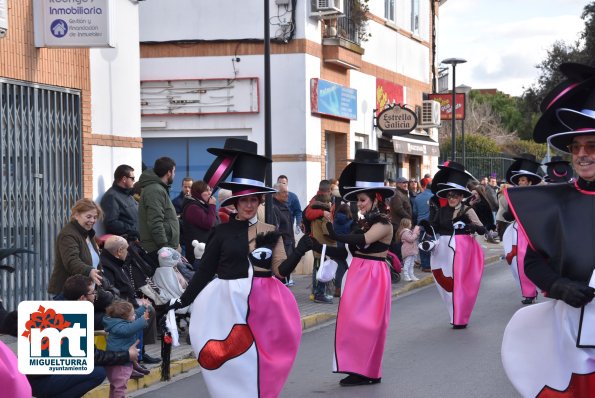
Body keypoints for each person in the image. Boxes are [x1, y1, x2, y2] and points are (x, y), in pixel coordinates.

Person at [169, 138, 312, 398]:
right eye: (244, 200)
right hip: (226, 306)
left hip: (263, 307)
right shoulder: (221, 232)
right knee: (233, 363)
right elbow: (205, 271)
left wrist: (302, 248)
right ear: (235, 201)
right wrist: (182, 300)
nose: (248, 205)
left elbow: (280, 271)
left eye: (254, 200)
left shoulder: (270, 231)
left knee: (260, 361)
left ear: (260, 201)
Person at [501, 61, 595, 397]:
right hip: (571, 326)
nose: (582, 155)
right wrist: (559, 286)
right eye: (576, 148)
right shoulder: (552, 203)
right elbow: (532, 262)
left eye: (591, 146)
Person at [313, 149, 394, 386]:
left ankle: (370, 372)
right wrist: (319, 245)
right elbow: (349, 250)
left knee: (369, 325)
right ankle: (356, 369)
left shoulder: (383, 223)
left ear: (375, 199)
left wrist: (337, 234)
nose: (359, 204)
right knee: (352, 324)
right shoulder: (363, 221)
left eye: (363, 200)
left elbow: (363, 241)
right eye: (358, 200)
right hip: (358, 273)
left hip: (374, 275)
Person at [422, 161, 485, 329]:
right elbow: (433, 227)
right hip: (442, 251)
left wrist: (469, 226)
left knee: (460, 283)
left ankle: (459, 317)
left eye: (455, 195)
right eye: (449, 195)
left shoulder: (467, 210)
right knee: (445, 283)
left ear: (461, 196)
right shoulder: (441, 211)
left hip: (463, 251)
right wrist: (424, 231)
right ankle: (454, 313)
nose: (451, 198)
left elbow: (481, 229)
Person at [501, 154, 543, 305]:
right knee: (520, 261)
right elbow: (510, 214)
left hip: (534, 230)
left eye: (523, 180)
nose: (520, 182)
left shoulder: (538, 196)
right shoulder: (515, 196)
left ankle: (541, 287)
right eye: (519, 180)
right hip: (519, 232)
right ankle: (528, 293)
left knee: (537, 261)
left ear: (530, 181)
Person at [48, 198, 103, 297]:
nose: (92, 220)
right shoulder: (68, 235)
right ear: (76, 215)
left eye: (95, 217)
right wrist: (89, 271)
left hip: (85, 291)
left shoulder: (88, 233)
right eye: (88, 216)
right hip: (68, 293)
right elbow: (71, 261)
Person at [137, 157, 179, 265]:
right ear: (169, 172)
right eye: (174, 171)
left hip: (162, 249)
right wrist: (165, 247)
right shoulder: (155, 190)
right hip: (159, 250)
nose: (174, 175)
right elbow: (155, 221)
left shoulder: (159, 188)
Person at [103, 300, 150, 397]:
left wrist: (143, 307)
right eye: (132, 315)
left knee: (115, 386)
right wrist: (143, 320)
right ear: (124, 317)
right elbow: (130, 329)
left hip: (116, 361)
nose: (134, 316)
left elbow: (135, 315)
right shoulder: (120, 327)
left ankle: (134, 368)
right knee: (120, 387)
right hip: (120, 363)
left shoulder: (117, 322)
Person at [181, 180, 217, 263]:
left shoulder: (202, 204)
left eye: (210, 190)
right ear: (198, 192)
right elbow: (209, 223)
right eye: (206, 190)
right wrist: (212, 206)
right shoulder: (193, 208)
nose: (209, 193)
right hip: (198, 253)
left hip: (206, 251)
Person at [100, 164, 139, 240]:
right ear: (124, 179)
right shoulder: (111, 196)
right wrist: (133, 230)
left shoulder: (128, 194)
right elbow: (111, 223)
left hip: (135, 241)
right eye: (132, 178)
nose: (134, 181)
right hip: (123, 244)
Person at [309, 192, 336, 303]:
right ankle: (319, 294)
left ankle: (316, 293)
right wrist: (335, 238)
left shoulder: (315, 217)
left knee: (318, 271)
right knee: (323, 273)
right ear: (325, 203)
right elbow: (327, 233)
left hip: (317, 249)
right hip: (324, 249)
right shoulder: (324, 218)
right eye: (329, 201)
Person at [272, 182, 296, 286]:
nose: (287, 195)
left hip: (288, 245)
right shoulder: (273, 208)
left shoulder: (283, 206)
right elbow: (276, 229)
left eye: (287, 192)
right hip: (281, 248)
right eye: (284, 192)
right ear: (276, 193)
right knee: (280, 279)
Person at [332, 203, 353, 297]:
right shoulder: (350, 222)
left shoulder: (334, 221)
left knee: (340, 267)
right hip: (346, 247)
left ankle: (337, 289)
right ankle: (342, 289)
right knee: (345, 268)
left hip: (336, 246)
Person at [413, 177, 433, 272]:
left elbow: (414, 212)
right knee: (432, 245)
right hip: (431, 225)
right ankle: (428, 265)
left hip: (421, 225)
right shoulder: (434, 197)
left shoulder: (418, 197)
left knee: (422, 244)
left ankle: (425, 264)